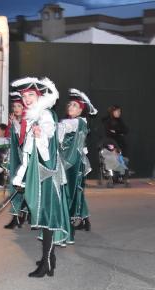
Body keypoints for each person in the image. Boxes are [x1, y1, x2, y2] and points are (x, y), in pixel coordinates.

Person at [10, 77, 70, 278]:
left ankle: (47, 263)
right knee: (41, 215)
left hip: (47, 175)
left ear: (40, 96)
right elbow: (27, 154)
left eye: (30, 95)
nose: (26, 99)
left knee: (47, 218)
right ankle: (47, 258)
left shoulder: (46, 115)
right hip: (37, 175)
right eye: (24, 96)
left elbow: (48, 152)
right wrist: (20, 178)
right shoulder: (32, 117)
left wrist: (39, 136)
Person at [59, 88, 96, 237]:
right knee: (77, 191)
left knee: (70, 191)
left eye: (75, 105)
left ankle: (70, 221)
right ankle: (85, 221)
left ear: (81, 110)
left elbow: (59, 132)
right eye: (70, 105)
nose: (70, 107)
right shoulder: (77, 122)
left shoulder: (75, 122)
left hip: (72, 162)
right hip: (73, 161)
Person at [4, 92, 28, 229]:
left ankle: (24, 215)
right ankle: (15, 217)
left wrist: (15, 124)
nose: (16, 108)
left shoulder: (27, 122)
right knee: (14, 188)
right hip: (16, 161)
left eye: (19, 106)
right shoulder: (14, 122)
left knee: (25, 189)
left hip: (26, 161)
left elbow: (23, 140)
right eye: (14, 106)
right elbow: (10, 139)